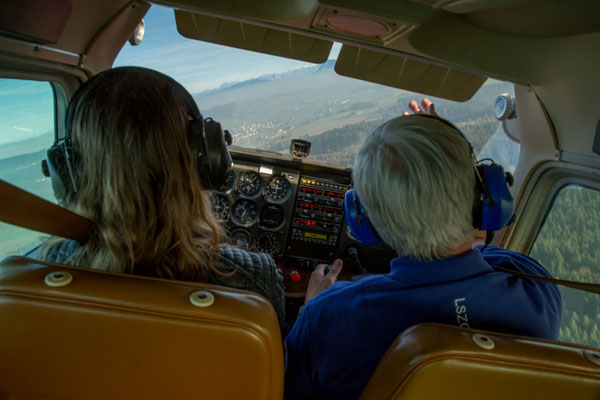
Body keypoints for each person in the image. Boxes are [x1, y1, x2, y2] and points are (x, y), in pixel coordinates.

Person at [284, 99, 562, 399]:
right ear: (484, 195)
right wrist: (446, 158)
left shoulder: (329, 318)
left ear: (364, 222)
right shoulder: (535, 290)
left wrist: (309, 308)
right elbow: (484, 253)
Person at [40, 66, 284, 325]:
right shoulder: (256, 282)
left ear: (66, 172)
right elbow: (278, 361)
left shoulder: (45, 271)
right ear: (202, 165)